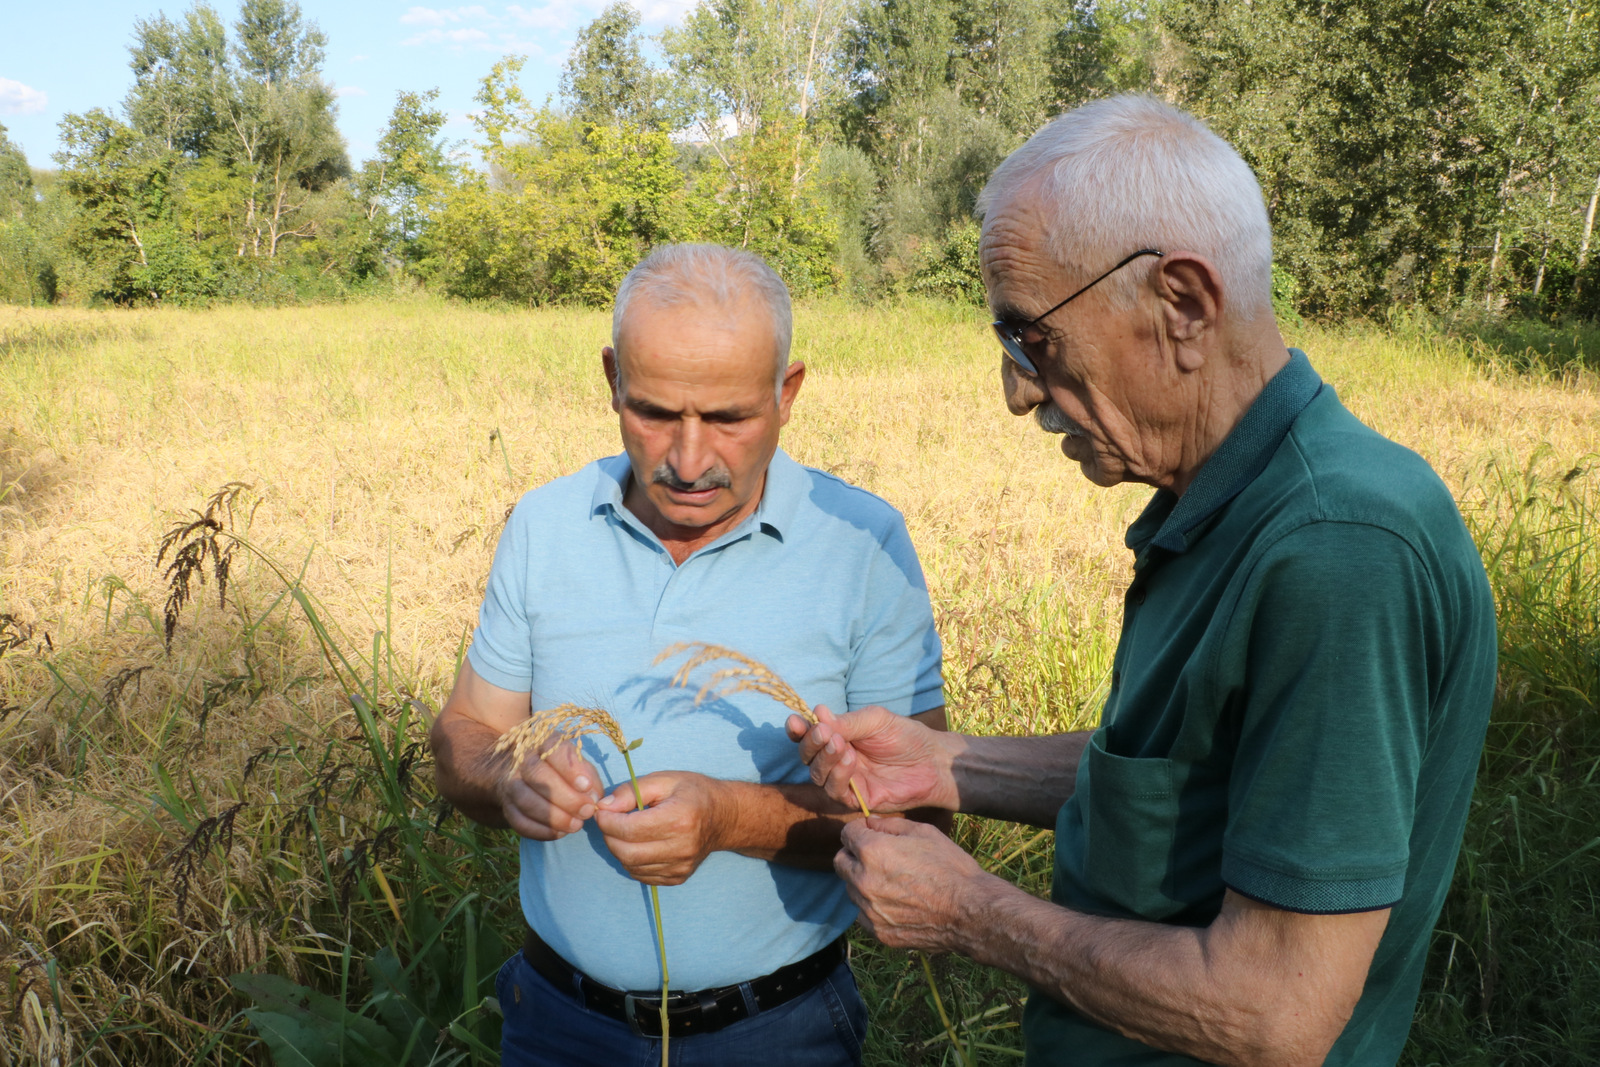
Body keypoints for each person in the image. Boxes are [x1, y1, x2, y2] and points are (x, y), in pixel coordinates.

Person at [789, 95, 1496, 1067]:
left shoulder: (1337, 547)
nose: (1017, 392)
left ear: (1183, 307)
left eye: (1032, 338)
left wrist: (973, 911)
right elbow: (1194, 773)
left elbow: (1274, 1011)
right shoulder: (1228, 500)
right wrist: (940, 763)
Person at [427, 243, 946, 1066]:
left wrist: (728, 817)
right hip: (556, 1023)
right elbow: (464, 730)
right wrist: (505, 778)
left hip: (780, 1032)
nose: (690, 459)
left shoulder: (864, 544)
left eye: (731, 418)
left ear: (788, 393)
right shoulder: (544, 525)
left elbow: (924, 817)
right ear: (611, 381)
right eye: (656, 412)